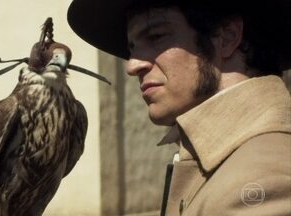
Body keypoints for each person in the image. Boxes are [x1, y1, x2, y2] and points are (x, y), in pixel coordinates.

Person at [67, 0, 291, 215]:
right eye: (132, 47)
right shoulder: (230, 160)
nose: (132, 65)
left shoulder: (263, 178)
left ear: (226, 38)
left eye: (156, 36)